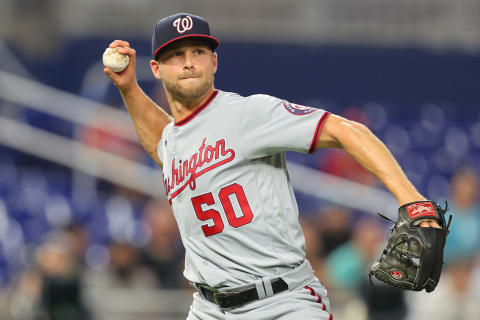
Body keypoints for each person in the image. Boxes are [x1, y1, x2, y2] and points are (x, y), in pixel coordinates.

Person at [104, 12, 441, 320]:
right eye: (176, 55)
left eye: (198, 52)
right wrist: (129, 89)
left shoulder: (247, 114)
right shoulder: (175, 138)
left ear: (215, 62)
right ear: (157, 69)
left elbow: (345, 130)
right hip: (208, 309)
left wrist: (411, 199)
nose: (189, 62)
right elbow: (163, 147)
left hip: (281, 302)